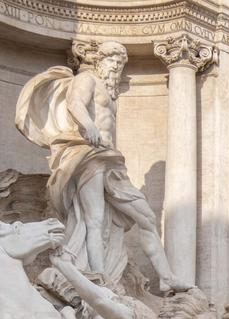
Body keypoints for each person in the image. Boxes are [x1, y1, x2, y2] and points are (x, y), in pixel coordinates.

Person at [15, 41, 191, 292]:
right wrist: (88, 126)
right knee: (94, 219)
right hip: (88, 154)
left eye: (119, 63)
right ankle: (99, 277)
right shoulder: (86, 79)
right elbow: (75, 103)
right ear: (100, 61)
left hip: (110, 160)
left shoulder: (110, 95)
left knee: (146, 217)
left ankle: (166, 277)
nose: (115, 66)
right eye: (112, 60)